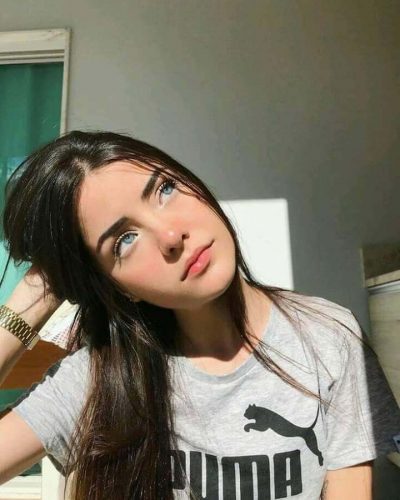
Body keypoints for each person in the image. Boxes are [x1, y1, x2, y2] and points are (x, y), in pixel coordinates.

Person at [0, 131, 399, 500]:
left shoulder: (328, 336)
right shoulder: (102, 375)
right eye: (125, 240)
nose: (171, 236)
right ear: (118, 287)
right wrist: (34, 298)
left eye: (165, 188)